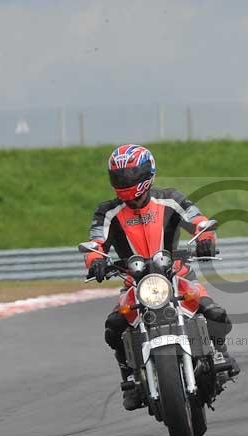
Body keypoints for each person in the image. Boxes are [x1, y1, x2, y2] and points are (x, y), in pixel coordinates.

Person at [84, 144, 239, 410]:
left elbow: (199, 220)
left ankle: (219, 352)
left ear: (146, 174)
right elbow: (96, 241)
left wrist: (206, 239)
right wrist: (95, 260)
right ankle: (130, 376)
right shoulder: (107, 212)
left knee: (215, 312)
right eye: (119, 177)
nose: (124, 183)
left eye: (130, 177)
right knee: (114, 326)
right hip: (135, 284)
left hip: (177, 276)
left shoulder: (171, 199)